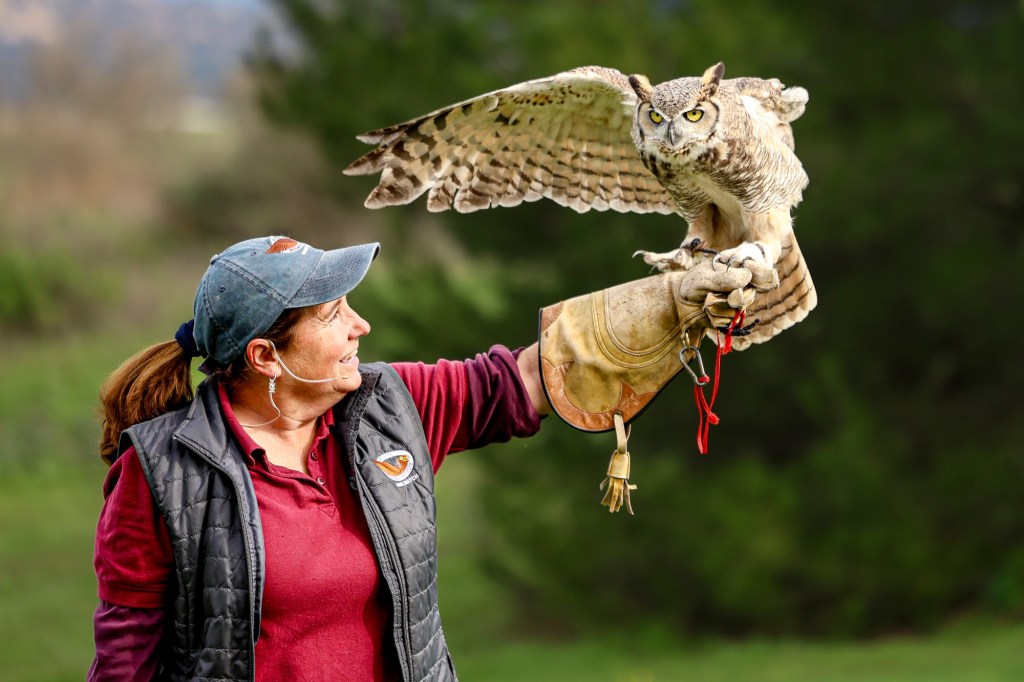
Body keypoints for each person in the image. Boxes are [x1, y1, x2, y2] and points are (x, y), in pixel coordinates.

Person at [89, 235, 754, 681]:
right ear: (266, 357)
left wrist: (678, 301)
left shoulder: (390, 407)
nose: (361, 327)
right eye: (333, 316)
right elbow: (127, 657)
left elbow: (525, 379)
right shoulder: (163, 471)